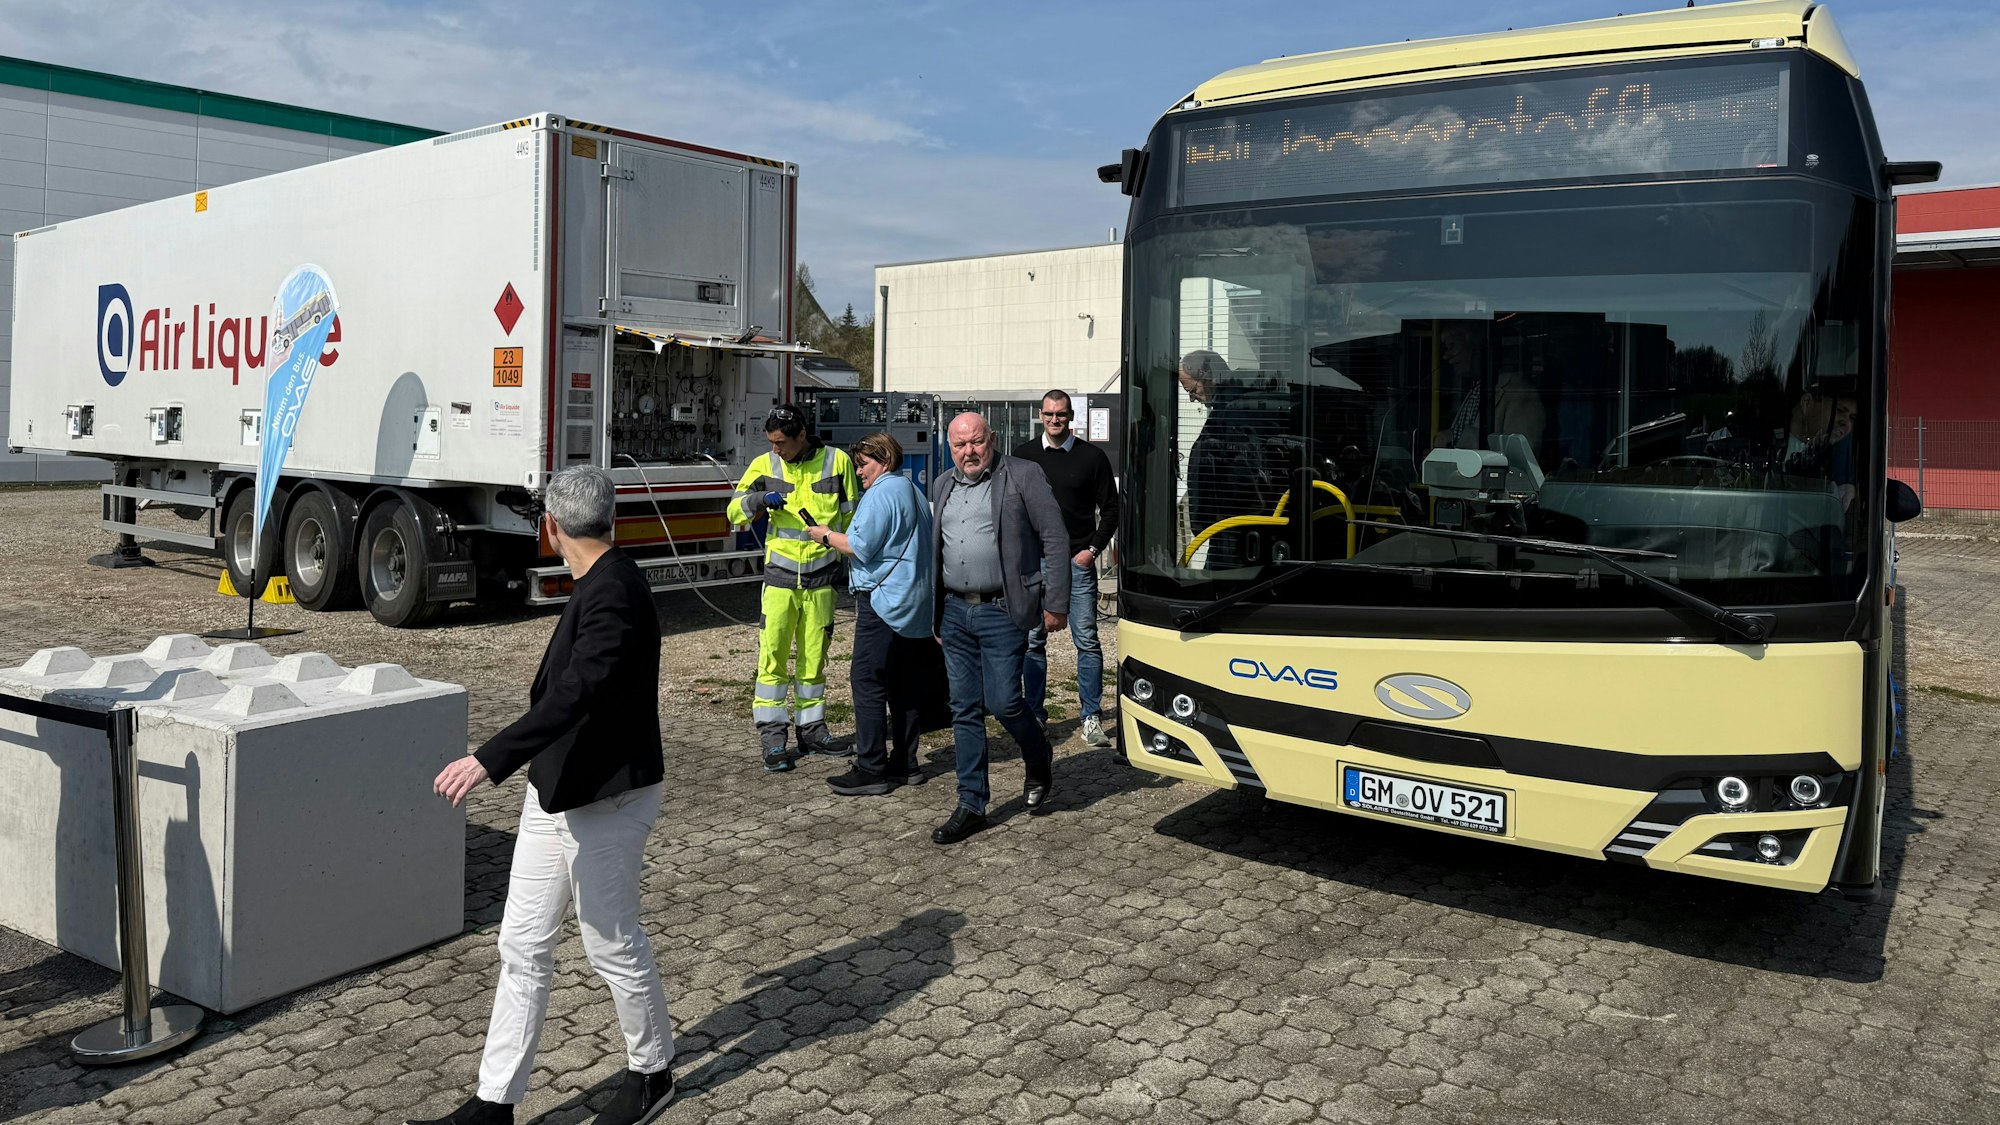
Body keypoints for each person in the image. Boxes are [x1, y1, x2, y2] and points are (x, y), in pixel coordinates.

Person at [417, 467, 674, 1125]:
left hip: (606, 799)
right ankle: (494, 1102)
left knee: (610, 940)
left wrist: (488, 757)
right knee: (522, 944)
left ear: (551, 528)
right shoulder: (602, 578)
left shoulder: (615, 590)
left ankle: (653, 1074)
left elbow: (576, 693)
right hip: (553, 789)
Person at [928, 412, 1070, 845]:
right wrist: (936, 613)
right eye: (959, 445)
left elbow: (1054, 538)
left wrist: (1056, 603)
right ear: (949, 447)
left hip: (1002, 610)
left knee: (1005, 702)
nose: (968, 452)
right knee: (963, 708)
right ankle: (971, 804)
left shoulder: (1023, 475)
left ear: (992, 438)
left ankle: (1037, 752)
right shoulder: (942, 484)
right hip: (955, 611)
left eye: (976, 442)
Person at [726, 403, 861, 772]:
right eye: (771, 442)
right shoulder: (765, 465)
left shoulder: (837, 462)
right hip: (780, 581)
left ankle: (812, 731)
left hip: (822, 581)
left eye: (781, 442)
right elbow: (733, 511)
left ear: (801, 435)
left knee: (814, 659)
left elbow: (853, 518)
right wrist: (757, 500)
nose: (775, 449)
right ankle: (773, 739)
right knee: (772, 659)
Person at [804, 431, 936, 795]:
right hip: (915, 602)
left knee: (867, 679)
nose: (859, 472)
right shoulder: (913, 491)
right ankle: (905, 763)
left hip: (883, 601)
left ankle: (871, 767)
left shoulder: (882, 493)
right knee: (903, 684)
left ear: (885, 460)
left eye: (864, 465)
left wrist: (824, 535)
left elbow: (859, 546)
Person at [1011, 389, 1118, 747]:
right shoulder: (1023, 456)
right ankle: (1034, 715)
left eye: (1061, 414)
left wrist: (1092, 550)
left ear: (1071, 416)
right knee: (1032, 641)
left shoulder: (1092, 457)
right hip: (1035, 563)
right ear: (1040, 415)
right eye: (1049, 414)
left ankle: (1091, 717)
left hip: (1076, 562)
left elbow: (1112, 509)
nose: (1055, 420)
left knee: (1086, 639)